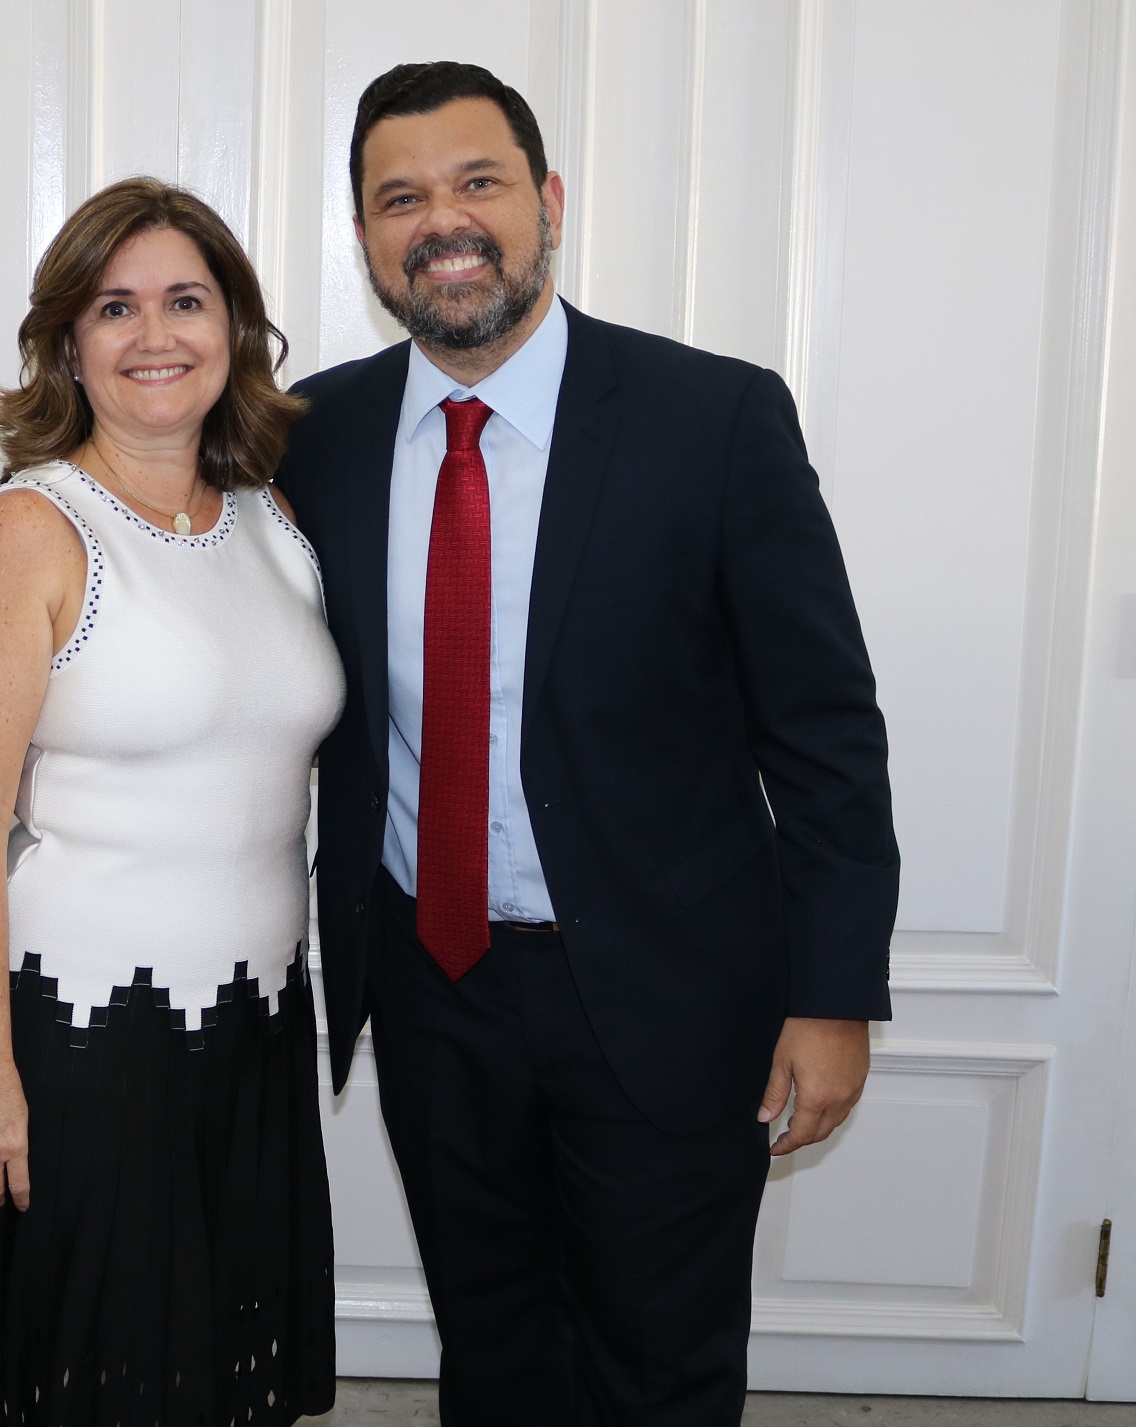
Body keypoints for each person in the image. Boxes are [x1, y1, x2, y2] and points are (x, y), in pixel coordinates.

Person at [278, 62, 898, 1425]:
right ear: (365, 236)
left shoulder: (712, 418)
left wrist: (833, 991)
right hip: (434, 987)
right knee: (492, 1348)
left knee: (658, 1366)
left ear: (547, 201)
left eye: (477, 181)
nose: (442, 221)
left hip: (665, 988)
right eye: (400, 198)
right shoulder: (313, 437)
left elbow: (825, 732)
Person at [0, 177, 343, 1427]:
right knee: (108, 1382)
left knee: (219, 1377)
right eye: (114, 307)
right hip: (86, 1041)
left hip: (254, 1021)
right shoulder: (32, 527)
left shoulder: (271, 520)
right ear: (68, 342)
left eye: (185, 300)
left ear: (235, 328)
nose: (153, 334)